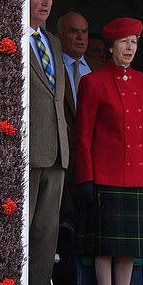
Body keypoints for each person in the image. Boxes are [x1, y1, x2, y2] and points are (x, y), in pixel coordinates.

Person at [75, 17, 143, 285]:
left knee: (128, 249)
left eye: (134, 42)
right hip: (105, 176)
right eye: (124, 42)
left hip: (138, 176)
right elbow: (83, 135)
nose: (130, 48)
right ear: (111, 47)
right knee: (105, 248)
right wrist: (85, 177)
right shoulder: (93, 82)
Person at [28, 0, 69, 285]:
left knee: (46, 232)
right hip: (26, 149)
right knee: (21, 227)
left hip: (56, 150)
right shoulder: (9, 38)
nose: (45, 2)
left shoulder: (53, 42)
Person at [57, 11, 97, 217]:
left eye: (84, 32)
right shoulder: (51, 66)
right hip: (62, 154)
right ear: (60, 34)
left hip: (94, 157)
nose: (80, 37)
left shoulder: (98, 68)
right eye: (73, 31)